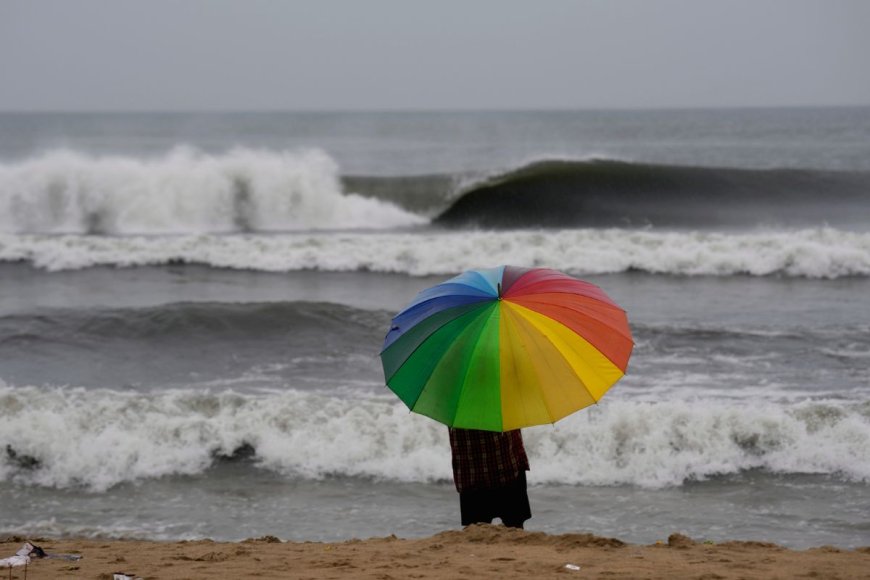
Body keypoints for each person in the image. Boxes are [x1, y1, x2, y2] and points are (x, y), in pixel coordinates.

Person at [448, 427, 531, 528]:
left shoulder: (457, 412)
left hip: (471, 475)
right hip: (507, 467)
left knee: (476, 531)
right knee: (515, 525)